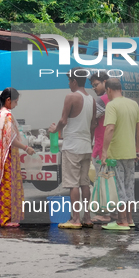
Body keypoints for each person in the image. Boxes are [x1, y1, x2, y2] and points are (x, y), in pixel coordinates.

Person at [48, 68, 96, 230]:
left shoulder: (71, 97)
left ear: (75, 81)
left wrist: (55, 130)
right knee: (85, 183)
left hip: (72, 146)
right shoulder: (92, 99)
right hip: (85, 146)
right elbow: (93, 125)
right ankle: (87, 217)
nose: (68, 84)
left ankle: (76, 219)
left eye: (69, 81)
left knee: (73, 184)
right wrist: (89, 141)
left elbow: (63, 120)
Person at [0, 88, 34, 228]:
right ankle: (6, 219)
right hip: (6, 159)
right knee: (7, 188)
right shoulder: (6, 115)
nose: (16, 105)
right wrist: (26, 148)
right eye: (15, 102)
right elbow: (10, 140)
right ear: (8, 100)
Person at [101, 77, 139, 231]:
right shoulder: (133, 104)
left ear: (109, 90)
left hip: (116, 154)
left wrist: (104, 152)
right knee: (129, 187)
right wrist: (138, 149)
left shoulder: (112, 105)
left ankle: (122, 221)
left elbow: (110, 129)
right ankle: (130, 219)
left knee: (119, 188)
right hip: (130, 153)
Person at [89, 71, 115, 224]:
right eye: (93, 86)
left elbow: (91, 121)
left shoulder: (102, 100)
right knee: (113, 181)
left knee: (101, 181)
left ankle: (104, 214)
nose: (94, 88)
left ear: (105, 82)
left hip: (100, 148)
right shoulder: (116, 100)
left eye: (96, 85)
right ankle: (114, 213)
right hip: (113, 147)